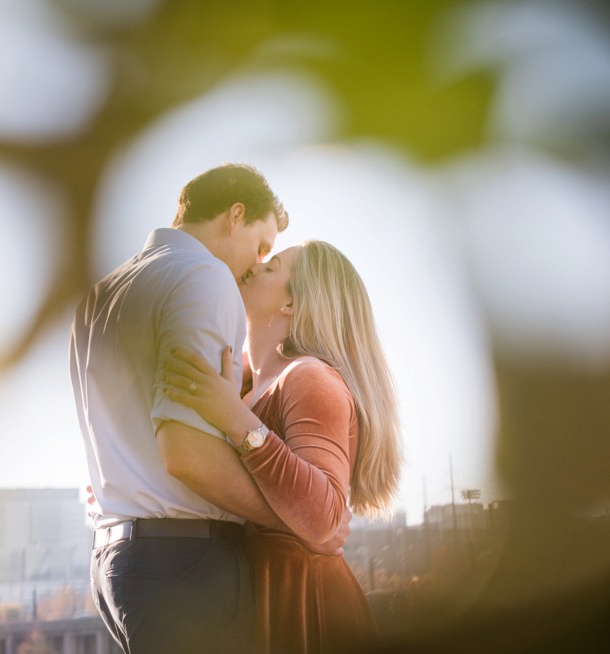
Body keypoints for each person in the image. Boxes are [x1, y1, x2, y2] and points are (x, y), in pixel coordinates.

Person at [70, 164, 347, 654]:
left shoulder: (100, 295)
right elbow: (186, 456)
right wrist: (294, 520)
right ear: (235, 216)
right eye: (261, 246)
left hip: (115, 564)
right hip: (186, 566)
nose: (253, 266)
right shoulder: (205, 275)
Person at [162, 240, 403, 653]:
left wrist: (235, 419)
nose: (254, 268)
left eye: (271, 266)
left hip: (303, 605)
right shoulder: (244, 387)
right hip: (252, 596)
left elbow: (323, 514)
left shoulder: (309, 378)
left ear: (292, 303)